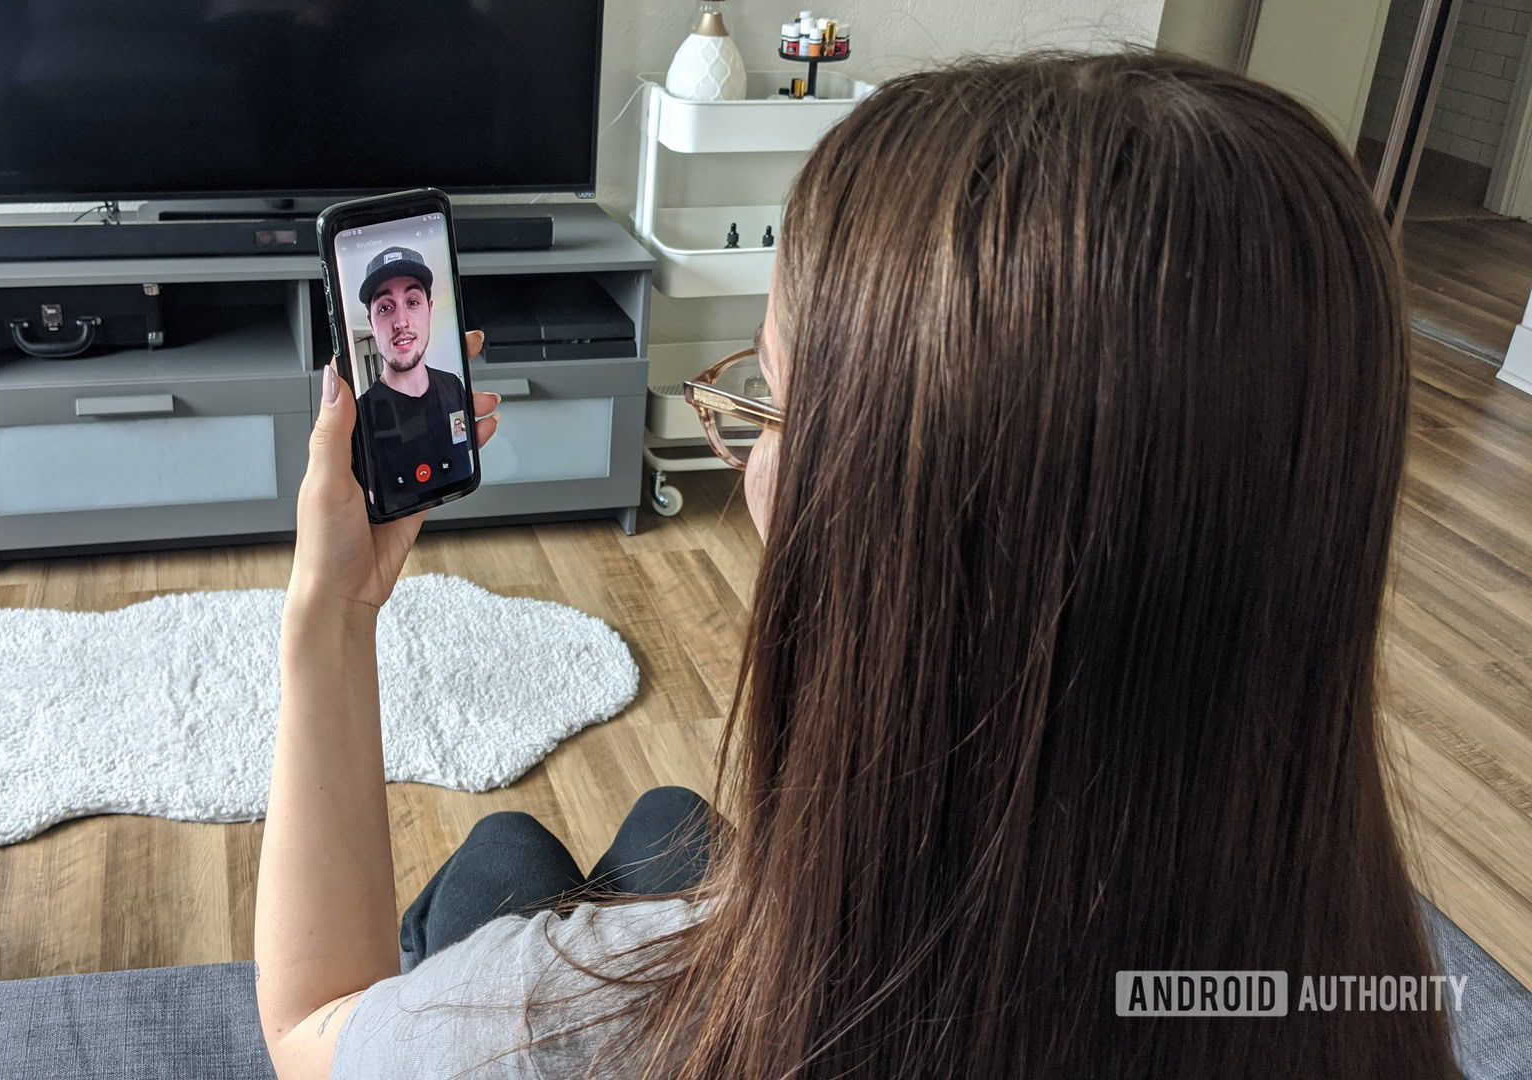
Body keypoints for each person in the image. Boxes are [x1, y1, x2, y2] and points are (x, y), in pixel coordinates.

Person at [255, 52, 1463, 1079]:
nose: (745, 438)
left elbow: (307, 1026)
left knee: (504, 856)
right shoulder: (1358, 995)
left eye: (770, 394)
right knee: (674, 822)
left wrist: (335, 605)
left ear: (907, 524)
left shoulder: (574, 1021)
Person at [353, 246, 473, 495]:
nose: (401, 322)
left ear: (429, 309)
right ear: (371, 324)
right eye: (385, 308)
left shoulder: (453, 385)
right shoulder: (359, 415)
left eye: (413, 302)